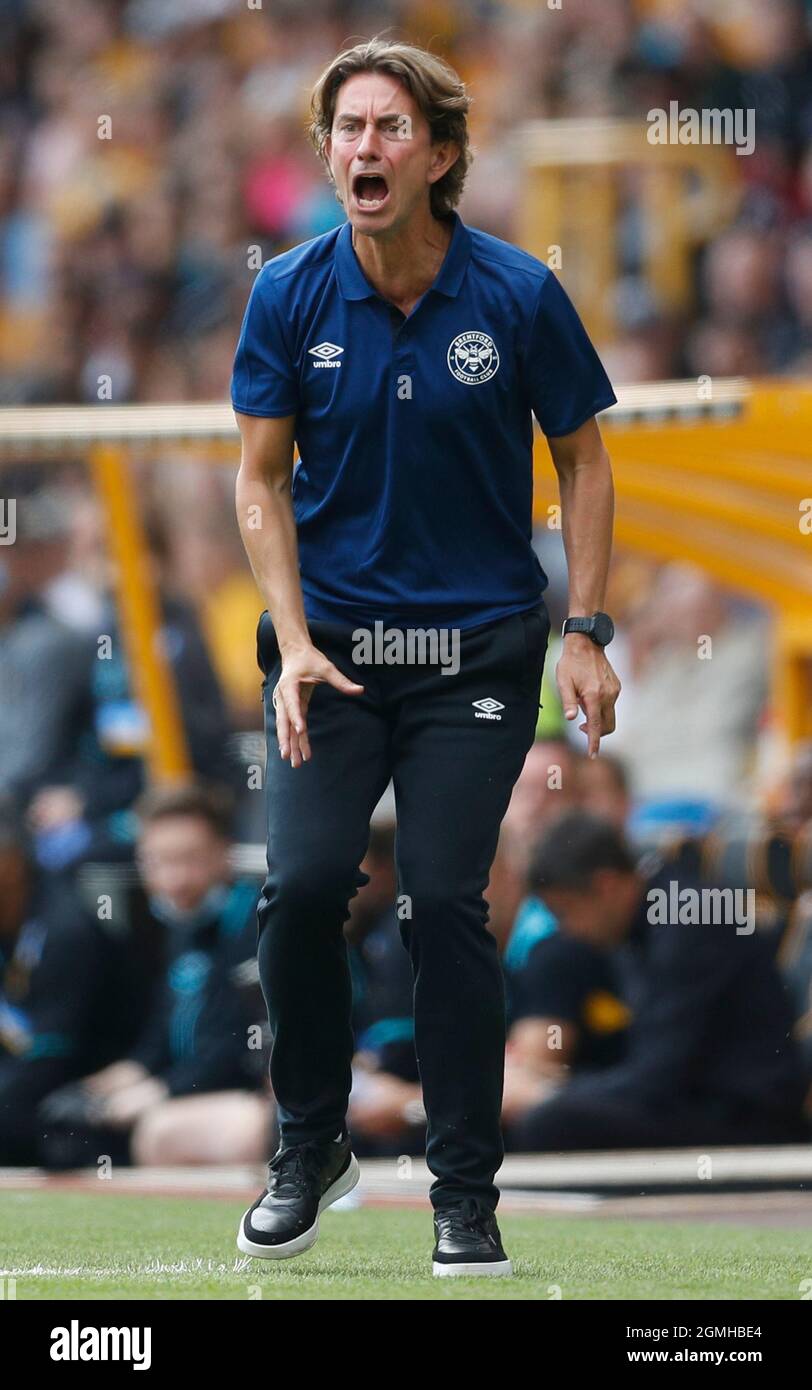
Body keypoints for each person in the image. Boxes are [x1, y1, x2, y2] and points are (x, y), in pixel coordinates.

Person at [231, 38, 620, 1277]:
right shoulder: (286, 294)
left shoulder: (514, 294)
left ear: (439, 155)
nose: (364, 148)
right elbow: (256, 481)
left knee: (445, 900)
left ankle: (463, 1191)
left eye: (390, 128)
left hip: (473, 656)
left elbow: (586, 459)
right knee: (297, 891)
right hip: (328, 655)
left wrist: (587, 630)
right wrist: (290, 644)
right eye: (347, 127)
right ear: (326, 149)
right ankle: (310, 1145)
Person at [509, 812, 810, 1152]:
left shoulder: (690, 920)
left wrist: (545, 1094)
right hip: (686, 1098)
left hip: (746, 1116)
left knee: (548, 1123)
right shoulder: (646, 918)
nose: (568, 930)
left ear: (606, 886)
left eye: (565, 912)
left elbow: (657, 1075)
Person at [38, 783, 265, 1167]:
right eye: (157, 862)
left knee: (156, 1130)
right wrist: (98, 1089)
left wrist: (156, 1092)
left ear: (224, 854)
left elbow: (237, 1048)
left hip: (254, 1101)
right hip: (193, 1098)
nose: (174, 880)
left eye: (189, 859)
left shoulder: (255, 923)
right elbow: (159, 1042)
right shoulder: (181, 930)